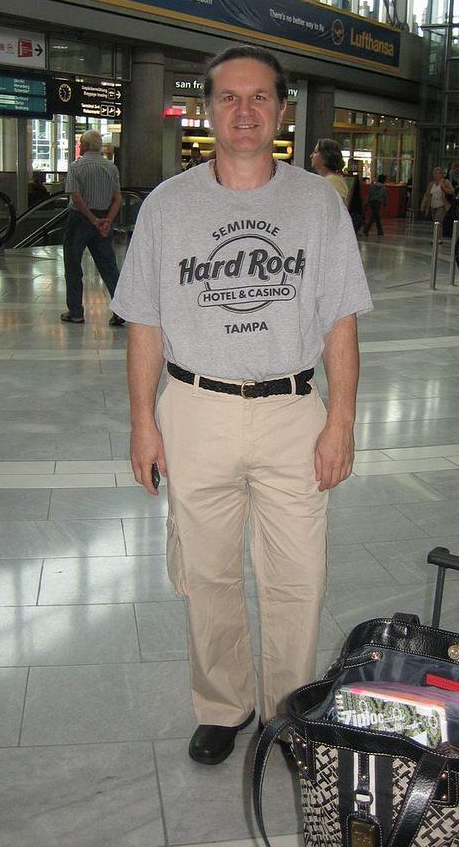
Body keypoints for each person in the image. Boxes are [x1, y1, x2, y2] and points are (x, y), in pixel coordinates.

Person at [110, 45, 372, 766]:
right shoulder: (169, 206)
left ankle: (291, 712)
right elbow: (144, 324)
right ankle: (224, 705)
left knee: (299, 575)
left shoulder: (318, 204)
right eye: (230, 97)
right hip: (196, 408)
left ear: (282, 111)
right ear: (208, 109)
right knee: (208, 571)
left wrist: (341, 420)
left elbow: (340, 323)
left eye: (260, 98)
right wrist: (143, 422)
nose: (246, 111)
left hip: (293, 409)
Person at [60, 129, 124, 326]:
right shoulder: (111, 168)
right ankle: (121, 310)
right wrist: (106, 221)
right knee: (109, 266)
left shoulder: (76, 166)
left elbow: (76, 197)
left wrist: (92, 219)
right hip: (104, 220)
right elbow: (117, 198)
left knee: (73, 265)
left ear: (85, 145)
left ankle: (76, 311)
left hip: (80, 220)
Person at [310, 138, 349, 205]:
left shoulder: (333, 181)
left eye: (316, 152)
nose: (311, 156)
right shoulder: (330, 179)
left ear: (326, 156)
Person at [420, 167, 455, 239]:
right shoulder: (431, 184)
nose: (436, 175)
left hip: (441, 205)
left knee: (438, 221)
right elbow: (427, 195)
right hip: (433, 206)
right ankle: (436, 237)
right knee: (434, 222)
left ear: (441, 174)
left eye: (438, 173)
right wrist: (423, 205)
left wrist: (444, 189)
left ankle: (438, 238)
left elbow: (452, 191)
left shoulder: (445, 182)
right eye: (435, 173)